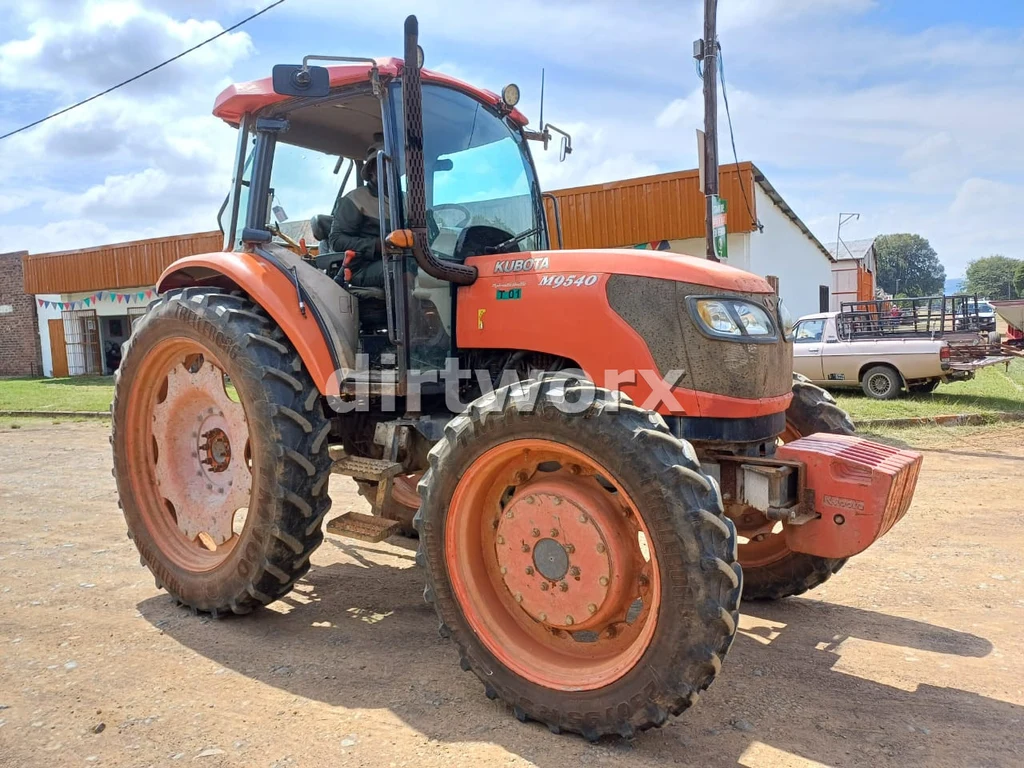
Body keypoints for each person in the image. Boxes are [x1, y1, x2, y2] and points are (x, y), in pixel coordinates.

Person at [328, 140, 388, 288]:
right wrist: (375, 245)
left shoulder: (405, 200)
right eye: (385, 163)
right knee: (406, 272)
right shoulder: (355, 200)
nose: (393, 169)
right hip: (361, 268)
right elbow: (336, 240)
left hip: (399, 260)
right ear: (372, 169)